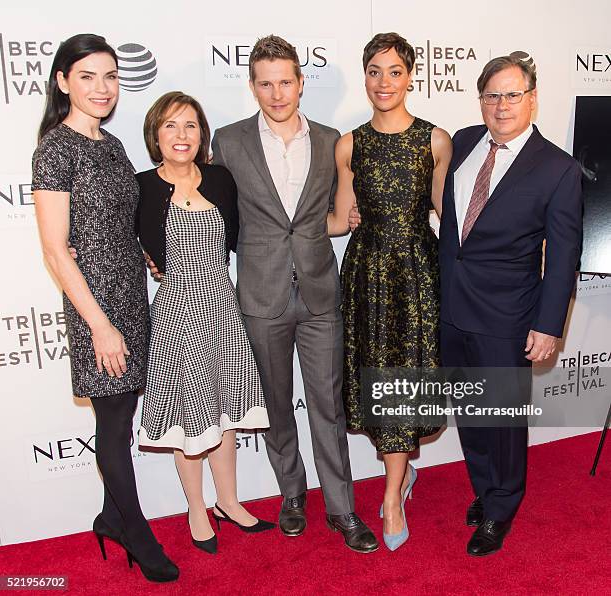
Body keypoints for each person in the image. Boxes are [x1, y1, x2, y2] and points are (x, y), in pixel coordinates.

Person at [211, 35, 378, 553]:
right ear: (253, 85)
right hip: (260, 294)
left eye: (286, 81)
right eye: (266, 83)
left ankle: (342, 508)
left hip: (320, 292)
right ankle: (291, 495)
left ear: (302, 82)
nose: (277, 93)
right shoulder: (228, 140)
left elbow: (328, 216)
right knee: (277, 406)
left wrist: (343, 221)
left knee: (327, 405)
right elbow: (215, 216)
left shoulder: (333, 140)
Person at [31, 34, 178, 582]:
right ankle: (135, 531)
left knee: (121, 416)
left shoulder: (112, 144)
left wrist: (143, 254)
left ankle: (111, 517)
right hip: (96, 307)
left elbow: (114, 221)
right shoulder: (55, 149)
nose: (102, 88)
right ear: (63, 81)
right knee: (114, 424)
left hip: (132, 295)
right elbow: (54, 247)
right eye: (88, 76)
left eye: (111, 76)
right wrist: (99, 326)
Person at [438, 56, 582, 556]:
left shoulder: (558, 168)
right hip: (451, 306)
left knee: (501, 419)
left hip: (507, 316)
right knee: (470, 413)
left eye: (512, 95)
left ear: (532, 97)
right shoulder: (460, 142)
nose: (502, 105)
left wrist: (549, 326)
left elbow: (563, 258)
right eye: (492, 95)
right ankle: (485, 488)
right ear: (481, 100)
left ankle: (503, 507)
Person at [327, 32, 452, 551]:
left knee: (404, 381)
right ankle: (400, 481)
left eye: (395, 71)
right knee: (379, 383)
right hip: (367, 275)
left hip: (417, 274)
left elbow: (449, 216)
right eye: (375, 71)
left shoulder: (435, 140)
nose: (384, 82)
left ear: (410, 75)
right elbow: (337, 218)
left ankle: (392, 495)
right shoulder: (349, 144)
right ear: (365, 76)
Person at [136, 92, 274, 555]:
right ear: (156, 133)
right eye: (171, 126)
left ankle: (229, 502)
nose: (181, 135)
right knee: (189, 414)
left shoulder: (220, 179)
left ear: (202, 134)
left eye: (190, 125)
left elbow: (241, 236)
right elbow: (117, 241)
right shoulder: (142, 187)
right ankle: (197, 507)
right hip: (176, 312)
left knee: (226, 409)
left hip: (222, 308)